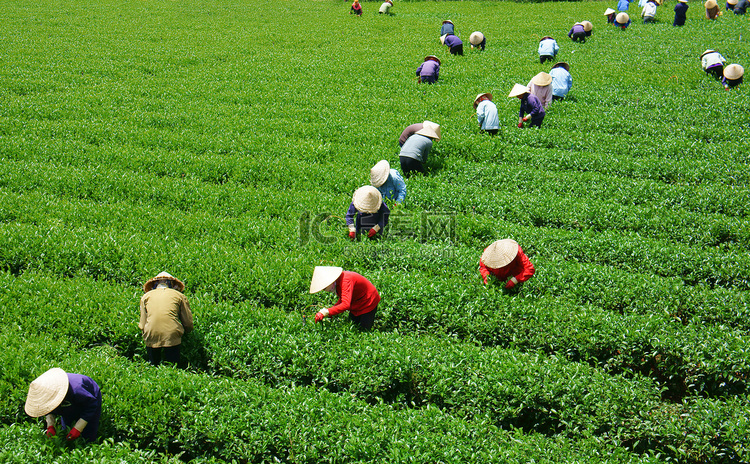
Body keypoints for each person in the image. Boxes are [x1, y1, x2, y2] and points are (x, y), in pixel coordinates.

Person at [25, 368, 102, 443]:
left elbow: (91, 405)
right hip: (69, 399)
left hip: (90, 398)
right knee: (66, 431)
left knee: (88, 433)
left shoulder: (77, 390)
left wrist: (78, 428)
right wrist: (50, 425)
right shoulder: (46, 393)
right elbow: (48, 407)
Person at [139, 271, 194, 366]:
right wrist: (188, 334)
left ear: (155, 284)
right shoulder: (180, 296)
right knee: (173, 366)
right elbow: (188, 323)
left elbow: (142, 325)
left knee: (153, 366)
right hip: (172, 334)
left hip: (151, 334)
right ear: (172, 284)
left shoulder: (146, 296)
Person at [310, 266, 380, 330]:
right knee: (352, 325)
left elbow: (345, 304)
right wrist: (330, 312)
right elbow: (343, 298)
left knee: (364, 329)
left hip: (368, 301)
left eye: (325, 288)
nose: (326, 290)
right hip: (356, 301)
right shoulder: (337, 283)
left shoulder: (345, 280)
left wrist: (327, 311)